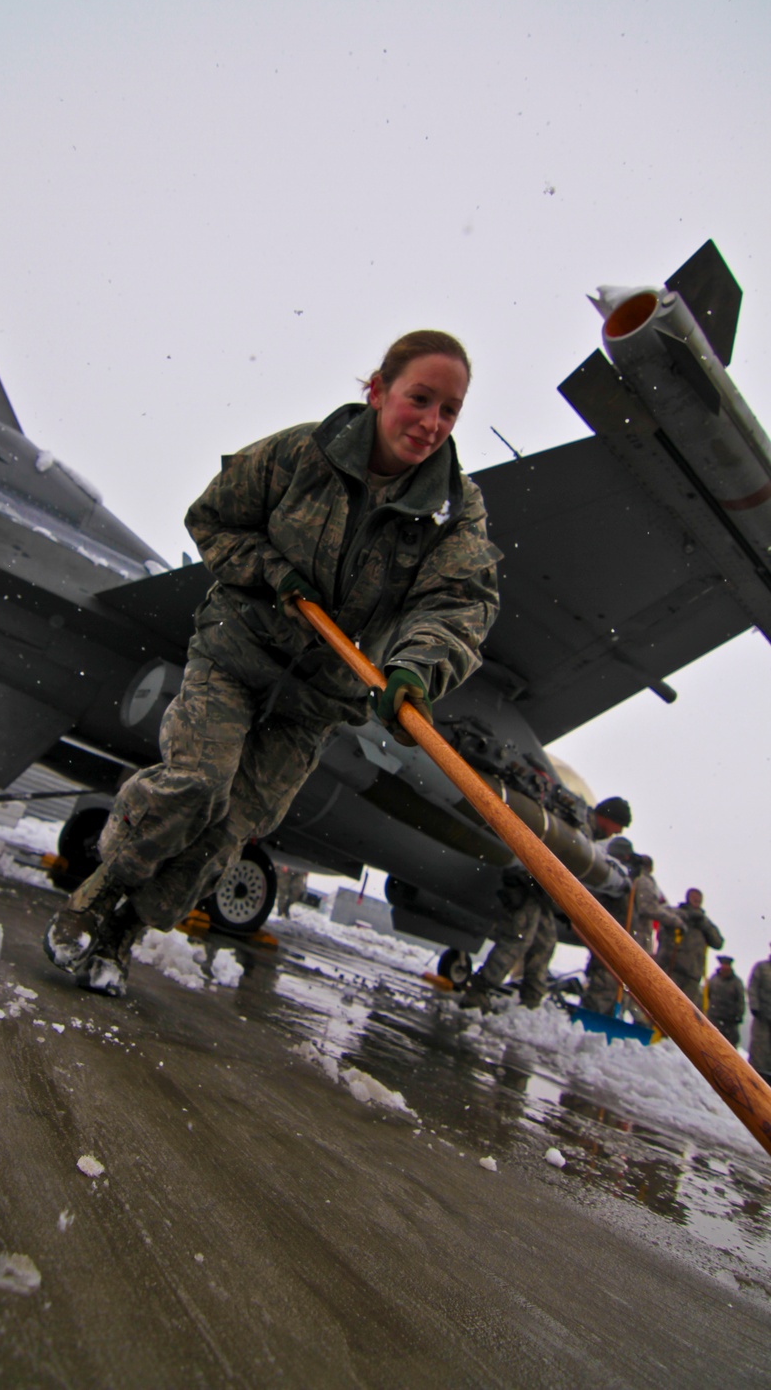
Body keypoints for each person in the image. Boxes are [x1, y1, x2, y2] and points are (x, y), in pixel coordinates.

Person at [44, 330, 502, 993]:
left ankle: (125, 933)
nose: (432, 424)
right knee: (199, 782)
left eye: (450, 410)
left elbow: (458, 602)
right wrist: (273, 572)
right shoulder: (301, 454)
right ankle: (98, 892)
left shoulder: (452, 513)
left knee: (230, 830)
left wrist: (417, 668)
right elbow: (213, 520)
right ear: (376, 391)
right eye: (419, 399)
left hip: (319, 698)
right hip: (238, 650)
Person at [460, 868, 558, 1012]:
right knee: (516, 941)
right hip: (527, 883)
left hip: (541, 890)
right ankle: (477, 991)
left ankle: (531, 1001)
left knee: (544, 943)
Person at [580, 836, 638, 1015]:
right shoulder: (610, 871)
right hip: (608, 938)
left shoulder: (624, 873)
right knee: (603, 981)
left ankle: (604, 1016)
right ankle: (591, 1015)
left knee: (613, 984)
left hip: (620, 940)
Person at [656, 888, 724, 1008]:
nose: (697, 900)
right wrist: (685, 917)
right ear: (687, 898)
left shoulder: (704, 921)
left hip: (693, 975)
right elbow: (661, 932)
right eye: (694, 897)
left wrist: (703, 925)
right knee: (665, 1006)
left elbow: (718, 943)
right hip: (673, 969)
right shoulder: (676, 913)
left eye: (699, 899)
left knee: (686, 1012)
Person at [706, 955, 746, 1047]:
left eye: (726, 965)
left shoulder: (737, 982)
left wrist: (739, 1015)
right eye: (723, 964)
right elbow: (707, 995)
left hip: (730, 1021)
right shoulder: (713, 979)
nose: (724, 967)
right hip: (714, 1018)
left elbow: (740, 1000)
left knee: (729, 1046)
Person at [747, 944, 771, 1082]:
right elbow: (753, 987)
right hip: (762, 1017)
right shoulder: (761, 968)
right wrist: (755, 1006)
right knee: (759, 1048)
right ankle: (755, 1078)